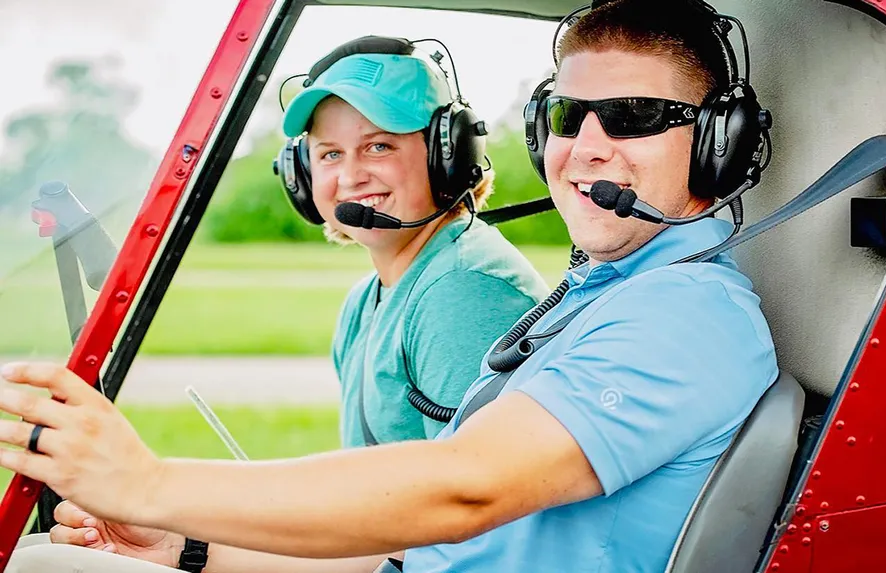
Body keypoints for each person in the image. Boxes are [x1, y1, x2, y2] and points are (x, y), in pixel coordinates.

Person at [0, 1, 778, 572]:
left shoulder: (685, 313)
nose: (586, 150)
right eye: (568, 117)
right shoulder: (602, 296)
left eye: (637, 116)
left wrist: (150, 483)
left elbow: (458, 492)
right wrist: (188, 543)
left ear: (718, 145)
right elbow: (412, 542)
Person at [274, 35, 550, 447]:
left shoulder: (463, 292)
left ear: (449, 155)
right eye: (330, 154)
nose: (350, 177)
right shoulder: (366, 300)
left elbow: (472, 495)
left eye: (379, 146)